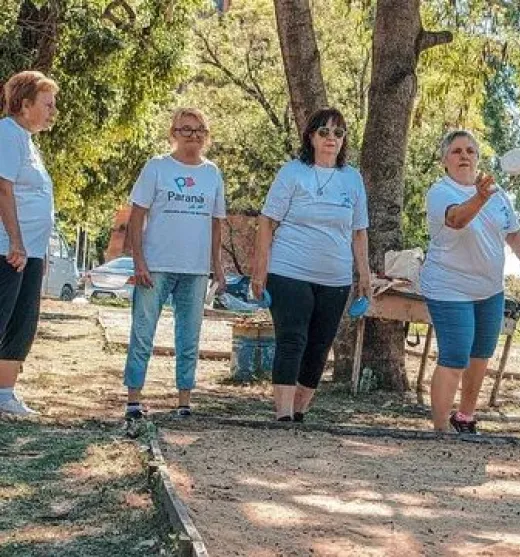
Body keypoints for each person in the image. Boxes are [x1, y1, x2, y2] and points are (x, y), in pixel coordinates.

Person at [421, 130, 520, 434]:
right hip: (449, 287)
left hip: (490, 290)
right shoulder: (441, 192)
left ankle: (464, 418)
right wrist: (479, 196)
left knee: (480, 356)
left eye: (470, 151)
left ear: (478, 157)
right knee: (455, 355)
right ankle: (440, 429)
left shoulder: (498, 195)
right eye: (456, 151)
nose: (464, 156)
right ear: (444, 161)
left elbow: (513, 234)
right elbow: (457, 220)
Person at [252, 108, 371, 422]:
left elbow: (359, 232)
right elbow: (267, 222)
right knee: (293, 339)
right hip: (289, 270)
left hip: (335, 276)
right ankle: (283, 414)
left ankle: (300, 411)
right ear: (311, 137)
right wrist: (260, 270)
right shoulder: (293, 173)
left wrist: (365, 277)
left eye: (338, 133)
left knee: (319, 346)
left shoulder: (352, 178)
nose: (331, 138)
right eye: (324, 132)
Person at [123, 107, 227, 419]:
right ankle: (133, 399)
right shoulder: (157, 167)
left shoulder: (212, 173)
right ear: (173, 133)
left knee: (189, 337)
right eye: (186, 129)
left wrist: (217, 266)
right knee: (142, 332)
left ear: (206, 137)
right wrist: (139, 261)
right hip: (155, 266)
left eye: (199, 130)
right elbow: (136, 216)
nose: (193, 135)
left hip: (194, 269)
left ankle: (184, 401)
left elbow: (217, 223)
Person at [0, 70, 58, 416]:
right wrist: (18, 243)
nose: (53, 111)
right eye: (47, 104)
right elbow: (3, 189)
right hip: (8, 249)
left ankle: (4, 394)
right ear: (25, 105)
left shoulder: (28, 141)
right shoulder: (7, 134)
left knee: (22, 322)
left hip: (31, 251)